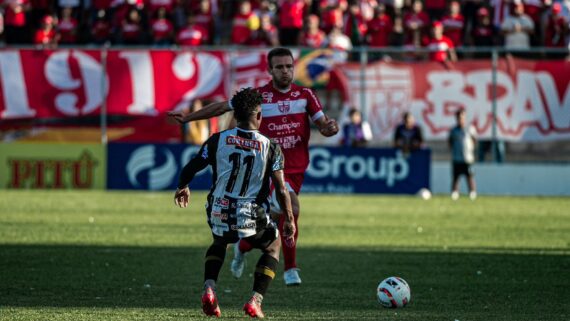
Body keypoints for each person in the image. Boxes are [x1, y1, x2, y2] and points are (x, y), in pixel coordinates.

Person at [168, 47, 339, 286]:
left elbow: (323, 125)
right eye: (279, 67)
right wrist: (189, 118)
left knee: (274, 219)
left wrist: (330, 128)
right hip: (267, 167)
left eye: (289, 66)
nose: (285, 71)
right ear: (270, 70)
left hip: (296, 168)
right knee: (292, 208)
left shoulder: (305, 94)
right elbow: (221, 107)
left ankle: (242, 247)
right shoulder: (257, 96)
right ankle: (291, 269)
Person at [173, 88, 296, 318]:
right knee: (273, 245)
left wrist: (183, 187)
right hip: (250, 213)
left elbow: (190, 168)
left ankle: (209, 288)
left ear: (235, 115)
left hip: (218, 208)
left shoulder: (217, 140)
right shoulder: (271, 147)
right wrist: (289, 218)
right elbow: (280, 188)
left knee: (220, 241)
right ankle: (255, 301)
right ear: (259, 116)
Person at [448, 109, 477, 201]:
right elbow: (450, 142)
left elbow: (474, 140)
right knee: (456, 177)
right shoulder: (453, 130)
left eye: (462, 117)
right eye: (458, 117)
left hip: (467, 157)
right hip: (457, 157)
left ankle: (472, 193)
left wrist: (470, 149)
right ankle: (455, 193)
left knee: (469, 176)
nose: (460, 119)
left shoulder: (470, 128)